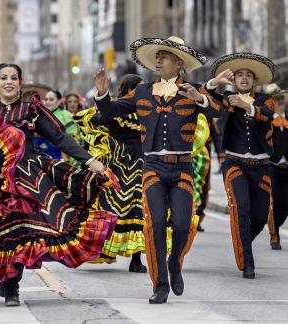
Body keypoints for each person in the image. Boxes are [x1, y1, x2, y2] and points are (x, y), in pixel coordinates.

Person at [0, 63, 118, 307]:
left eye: (14, 77)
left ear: (20, 82)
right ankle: (7, 277)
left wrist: (91, 162)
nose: (9, 81)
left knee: (22, 230)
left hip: (28, 179)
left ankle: (12, 285)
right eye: (4, 77)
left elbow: (60, 138)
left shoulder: (32, 109)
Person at [94, 36, 221, 303]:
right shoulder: (142, 91)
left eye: (164, 57)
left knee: (183, 225)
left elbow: (218, 111)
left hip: (182, 168)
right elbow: (110, 112)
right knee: (155, 224)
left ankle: (175, 263)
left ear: (179, 63)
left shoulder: (193, 89)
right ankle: (160, 285)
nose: (159, 60)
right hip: (152, 167)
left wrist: (200, 99)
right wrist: (102, 94)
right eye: (157, 57)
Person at [207, 53, 275, 279]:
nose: (244, 79)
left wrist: (249, 107)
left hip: (262, 165)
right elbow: (207, 102)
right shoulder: (227, 99)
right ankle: (247, 262)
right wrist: (215, 84)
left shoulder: (266, 100)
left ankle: (241, 240)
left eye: (248, 75)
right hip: (234, 163)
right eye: (239, 75)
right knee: (241, 207)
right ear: (234, 80)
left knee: (260, 216)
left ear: (255, 81)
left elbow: (269, 116)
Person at [75, 74, 149, 272]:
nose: (141, 92)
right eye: (137, 88)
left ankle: (136, 259)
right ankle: (100, 248)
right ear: (127, 90)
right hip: (118, 166)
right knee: (110, 209)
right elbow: (97, 119)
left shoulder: (147, 110)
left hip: (143, 165)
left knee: (139, 209)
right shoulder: (116, 108)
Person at [265, 85, 288, 250]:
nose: (280, 103)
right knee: (275, 202)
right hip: (272, 167)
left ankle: (277, 226)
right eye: (277, 100)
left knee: (285, 204)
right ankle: (275, 236)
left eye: (282, 100)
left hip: (287, 168)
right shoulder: (266, 121)